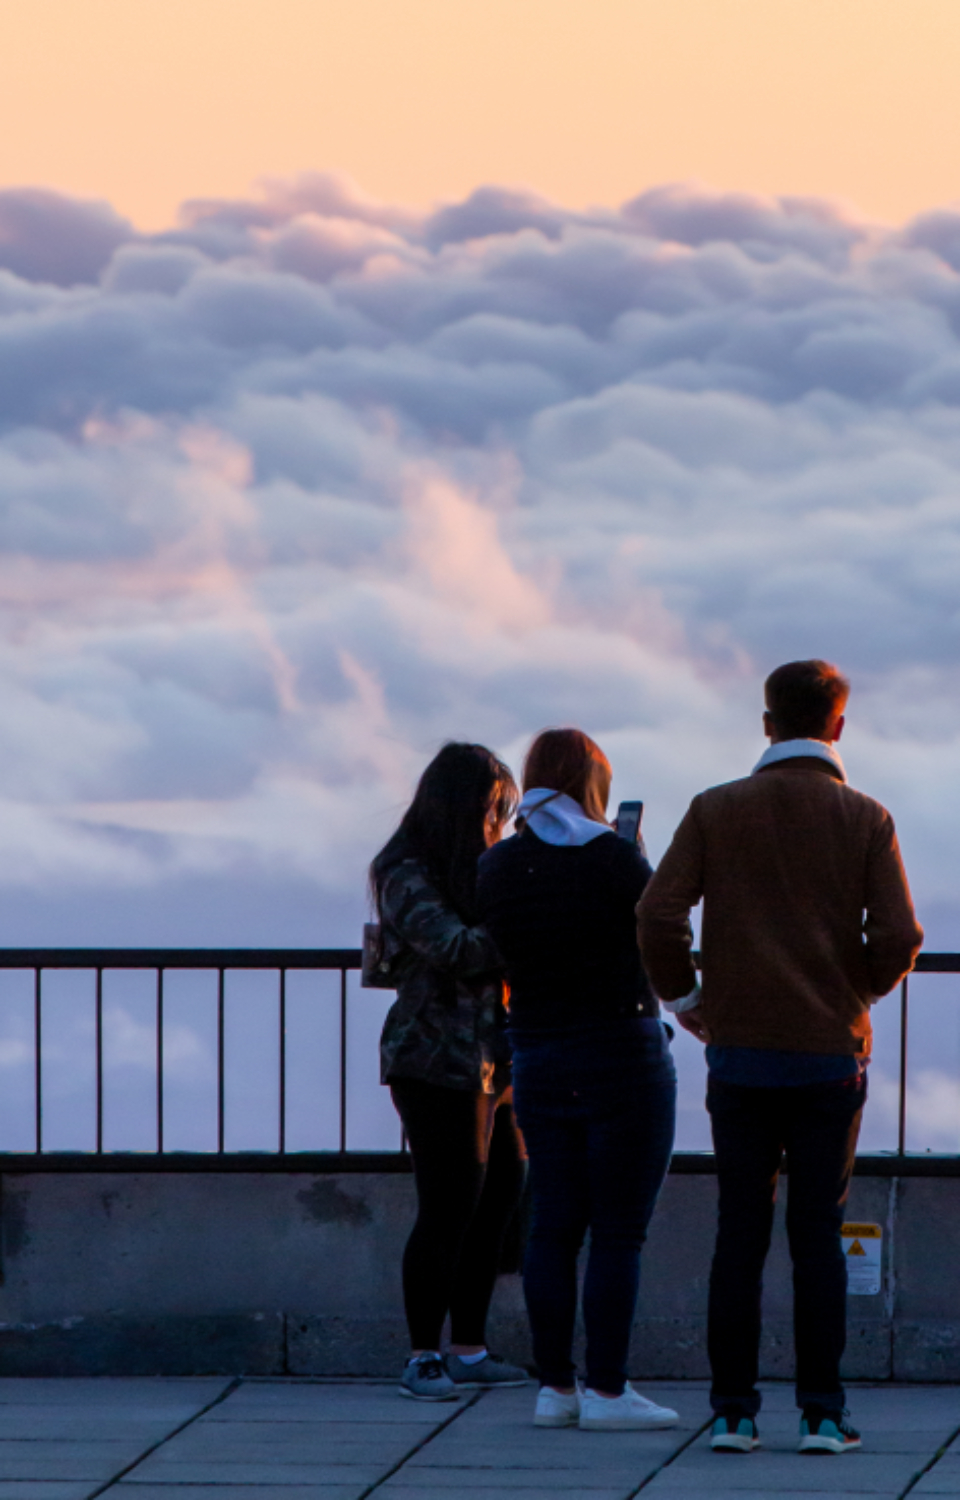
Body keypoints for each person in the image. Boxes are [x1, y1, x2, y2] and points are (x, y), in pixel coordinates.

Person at [637, 660, 923, 1456]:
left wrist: (690, 1000)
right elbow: (899, 936)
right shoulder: (867, 817)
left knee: (740, 1233)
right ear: (838, 726)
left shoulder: (715, 809)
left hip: (740, 1058)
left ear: (766, 725)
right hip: (829, 1057)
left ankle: (731, 1411)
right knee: (817, 1235)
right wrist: (853, 992)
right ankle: (823, 1414)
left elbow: (657, 914)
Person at [477, 728, 678, 1432]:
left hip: (537, 1052)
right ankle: (609, 1390)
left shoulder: (498, 866)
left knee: (553, 1228)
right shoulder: (617, 859)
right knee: (619, 1233)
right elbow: (655, 934)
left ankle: (555, 1387)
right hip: (622, 1050)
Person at [373, 742, 530, 1402]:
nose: (498, 818)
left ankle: (468, 1346)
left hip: (494, 1058)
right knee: (449, 1204)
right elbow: (457, 948)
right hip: (434, 1061)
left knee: (500, 1195)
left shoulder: (473, 868)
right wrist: (532, 924)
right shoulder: (406, 870)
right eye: (495, 806)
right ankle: (422, 1353)